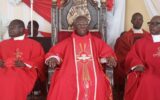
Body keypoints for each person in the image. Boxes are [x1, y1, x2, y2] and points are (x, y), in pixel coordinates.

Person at [45, 16, 117, 100]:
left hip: (94, 72)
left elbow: (107, 52)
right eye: (79, 24)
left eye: (85, 24)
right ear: (74, 27)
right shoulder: (67, 42)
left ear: (88, 26)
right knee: (63, 82)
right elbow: (54, 52)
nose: (83, 26)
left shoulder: (96, 41)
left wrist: (110, 58)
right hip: (70, 71)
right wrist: (53, 58)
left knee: (99, 82)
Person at [0, 19, 45, 100]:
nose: (10, 30)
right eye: (9, 28)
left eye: (12, 28)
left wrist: (25, 64)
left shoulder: (34, 44)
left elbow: (40, 59)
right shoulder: (3, 44)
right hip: (4, 69)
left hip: (24, 71)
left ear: (21, 29)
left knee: (13, 78)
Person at [113, 12, 149, 100]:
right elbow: (122, 54)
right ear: (131, 21)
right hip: (132, 68)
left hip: (147, 67)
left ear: (143, 21)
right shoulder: (125, 37)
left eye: (140, 19)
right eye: (135, 19)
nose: (138, 21)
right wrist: (135, 64)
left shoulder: (148, 36)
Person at [124, 16, 160, 100]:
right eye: (151, 23)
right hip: (148, 71)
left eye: (156, 24)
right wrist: (137, 65)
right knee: (147, 80)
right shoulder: (141, 43)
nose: (152, 26)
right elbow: (132, 56)